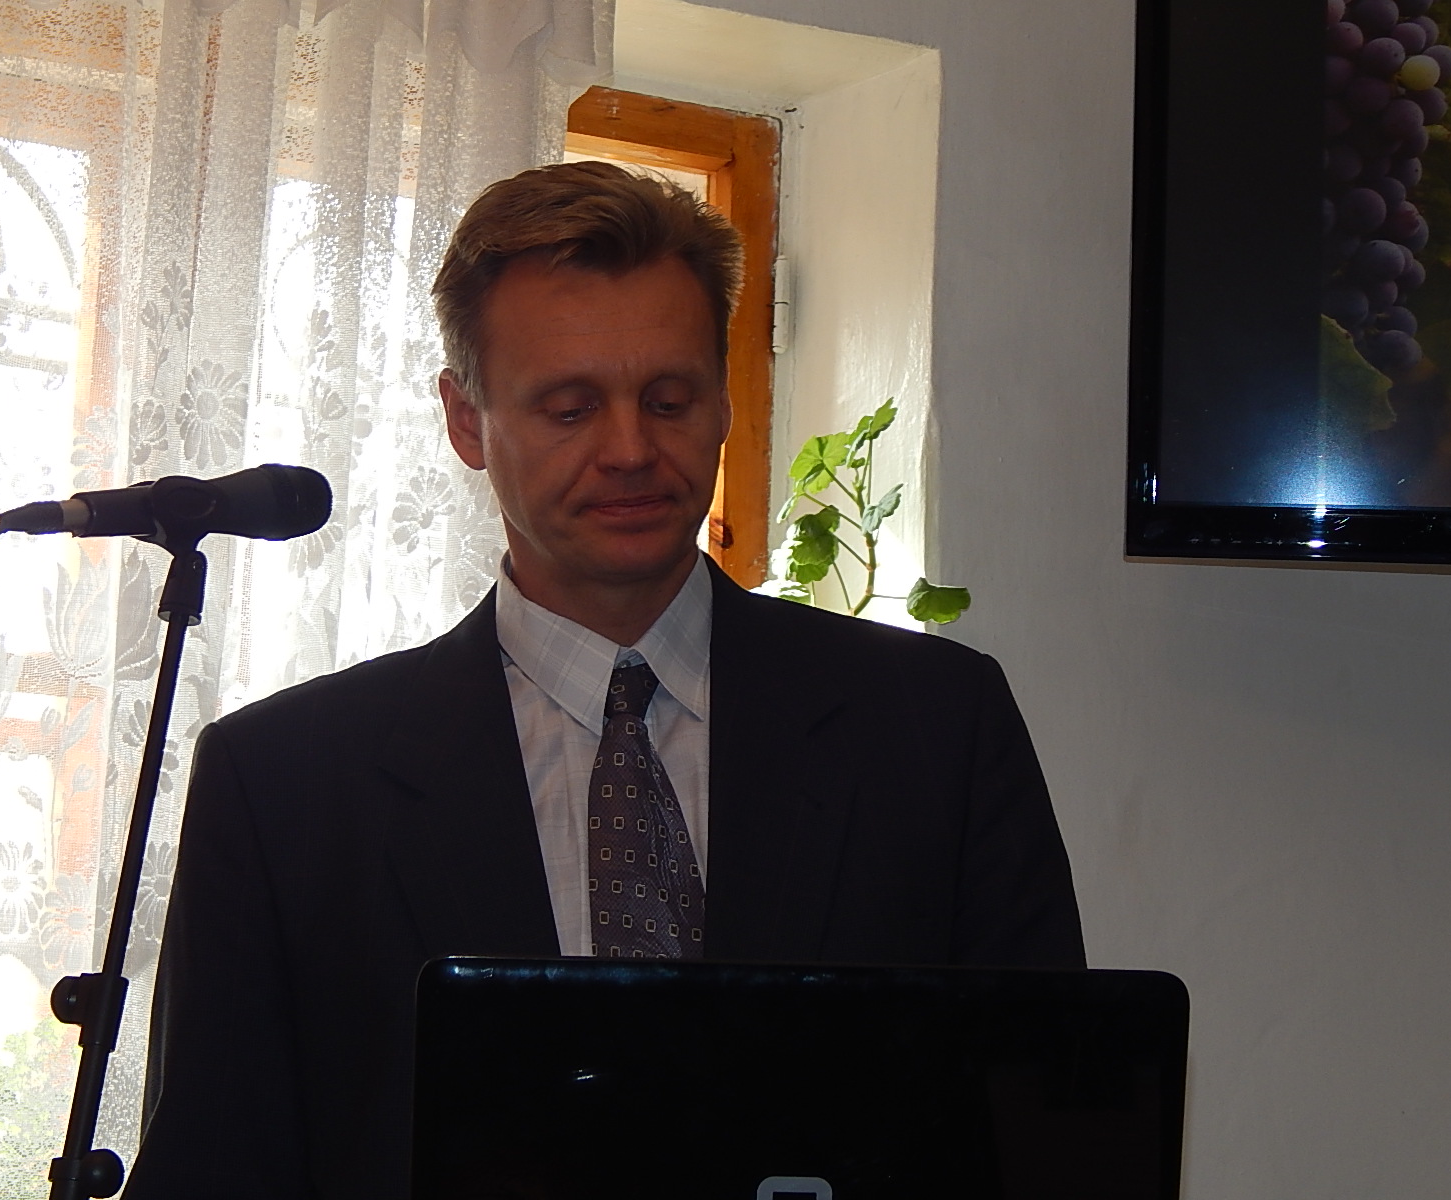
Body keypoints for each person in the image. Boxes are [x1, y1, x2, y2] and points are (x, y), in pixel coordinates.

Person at [124, 160, 1083, 1199]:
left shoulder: (936, 728)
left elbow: (1049, 1133)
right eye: (570, 408)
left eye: (669, 399)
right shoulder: (286, 785)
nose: (631, 450)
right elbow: (216, 1170)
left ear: (724, 400)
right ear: (465, 420)